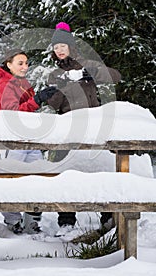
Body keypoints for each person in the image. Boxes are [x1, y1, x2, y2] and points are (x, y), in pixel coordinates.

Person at [46, 22, 121, 232]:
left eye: (62, 46)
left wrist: (94, 73)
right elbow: (55, 105)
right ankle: (67, 220)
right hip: (68, 127)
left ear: (70, 46)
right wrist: (55, 92)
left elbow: (116, 76)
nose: (59, 50)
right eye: (55, 47)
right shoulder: (54, 75)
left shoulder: (87, 64)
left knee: (100, 171)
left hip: (94, 126)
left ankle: (107, 216)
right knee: (66, 174)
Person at [0, 48, 57, 234]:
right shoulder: (5, 85)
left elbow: (29, 111)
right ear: (9, 65)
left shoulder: (22, 83)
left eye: (26, 63)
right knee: (10, 180)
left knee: (38, 178)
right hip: (13, 141)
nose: (25, 66)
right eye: (20, 63)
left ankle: (32, 220)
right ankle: (13, 221)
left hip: (30, 139)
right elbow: (13, 114)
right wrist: (37, 100)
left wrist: (41, 99)